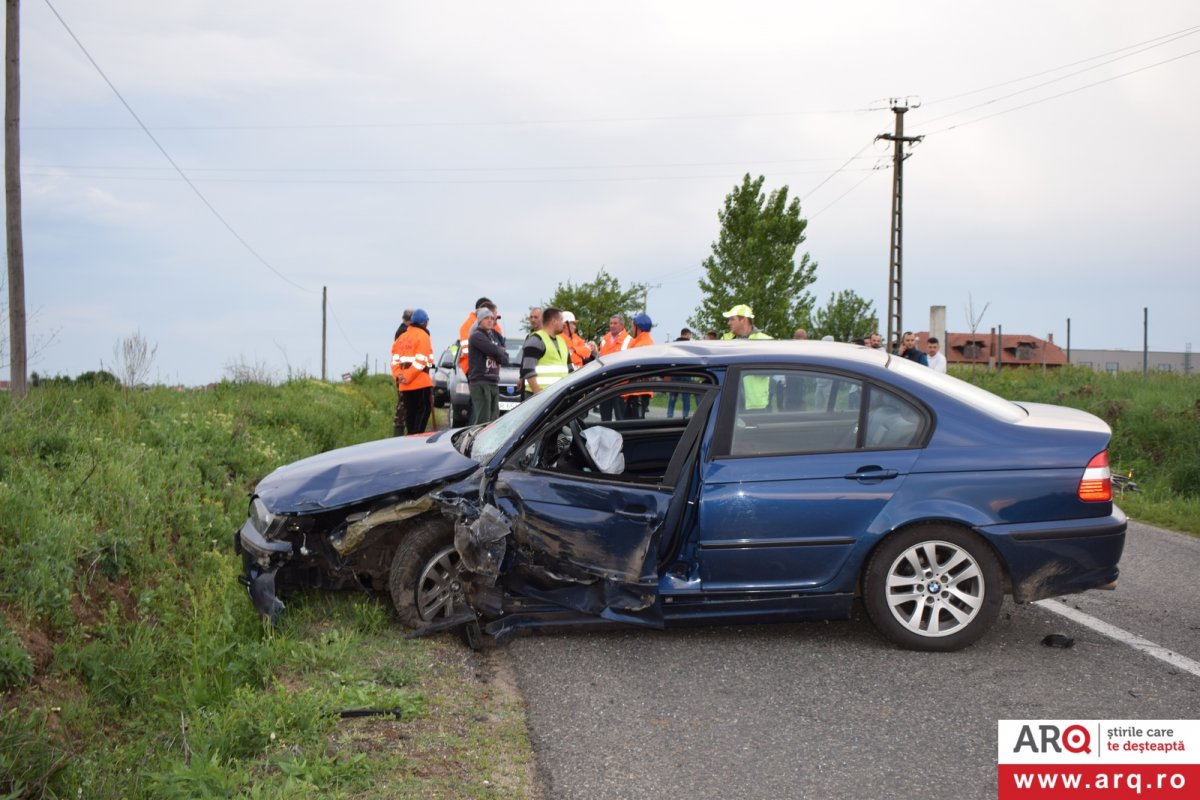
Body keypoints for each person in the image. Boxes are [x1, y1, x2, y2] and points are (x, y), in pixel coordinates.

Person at [394, 308, 435, 433]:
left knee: (410, 415)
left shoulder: (402, 337)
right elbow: (421, 361)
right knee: (423, 411)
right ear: (425, 322)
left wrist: (399, 376)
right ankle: (416, 442)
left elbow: (394, 361)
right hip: (420, 382)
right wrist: (407, 376)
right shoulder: (423, 335)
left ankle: (410, 442)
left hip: (404, 385)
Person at [467, 307, 509, 424]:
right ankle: (477, 441)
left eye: (492, 318)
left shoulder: (494, 336)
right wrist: (498, 350)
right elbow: (494, 350)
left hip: (493, 382)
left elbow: (505, 358)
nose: (490, 320)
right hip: (481, 381)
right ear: (480, 321)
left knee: (493, 419)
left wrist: (498, 351)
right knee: (483, 419)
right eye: (486, 318)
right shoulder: (477, 336)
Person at [520, 307, 569, 395]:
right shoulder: (536, 340)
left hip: (559, 395)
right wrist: (538, 395)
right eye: (561, 320)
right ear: (554, 322)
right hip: (539, 396)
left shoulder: (562, 342)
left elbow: (570, 370)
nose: (564, 324)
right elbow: (528, 371)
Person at [597, 315, 632, 420]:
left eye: (615, 323)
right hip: (605, 384)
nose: (612, 326)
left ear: (622, 325)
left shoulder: (629, 340)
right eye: (611, 323)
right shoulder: (604, 339)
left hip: (620, 384)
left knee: (620, 418)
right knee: (605, 417)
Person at [622, 313, 655, 418]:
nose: (630, 328)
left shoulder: (642, 345)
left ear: (638, 327)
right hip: (635, 391)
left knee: (634, 426)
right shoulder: (640, 342)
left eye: (632, 325)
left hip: (638, 392)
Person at [390, 308, 413, 436]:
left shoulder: (400, 331)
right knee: (403, 405)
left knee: (403, 404)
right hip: (404, 375)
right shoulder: (403, 332)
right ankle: (398, 435)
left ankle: (399, 433)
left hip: (402, 374)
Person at [667, 328, 694, 419]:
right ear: (686, 335)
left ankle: (669, 415)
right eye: (690, 335)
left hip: (675, 372)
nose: (690, 337)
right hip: (686, 373)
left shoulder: (674, 344)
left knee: (673, 396)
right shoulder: (690, 345)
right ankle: (685, 416)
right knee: (686, 397)